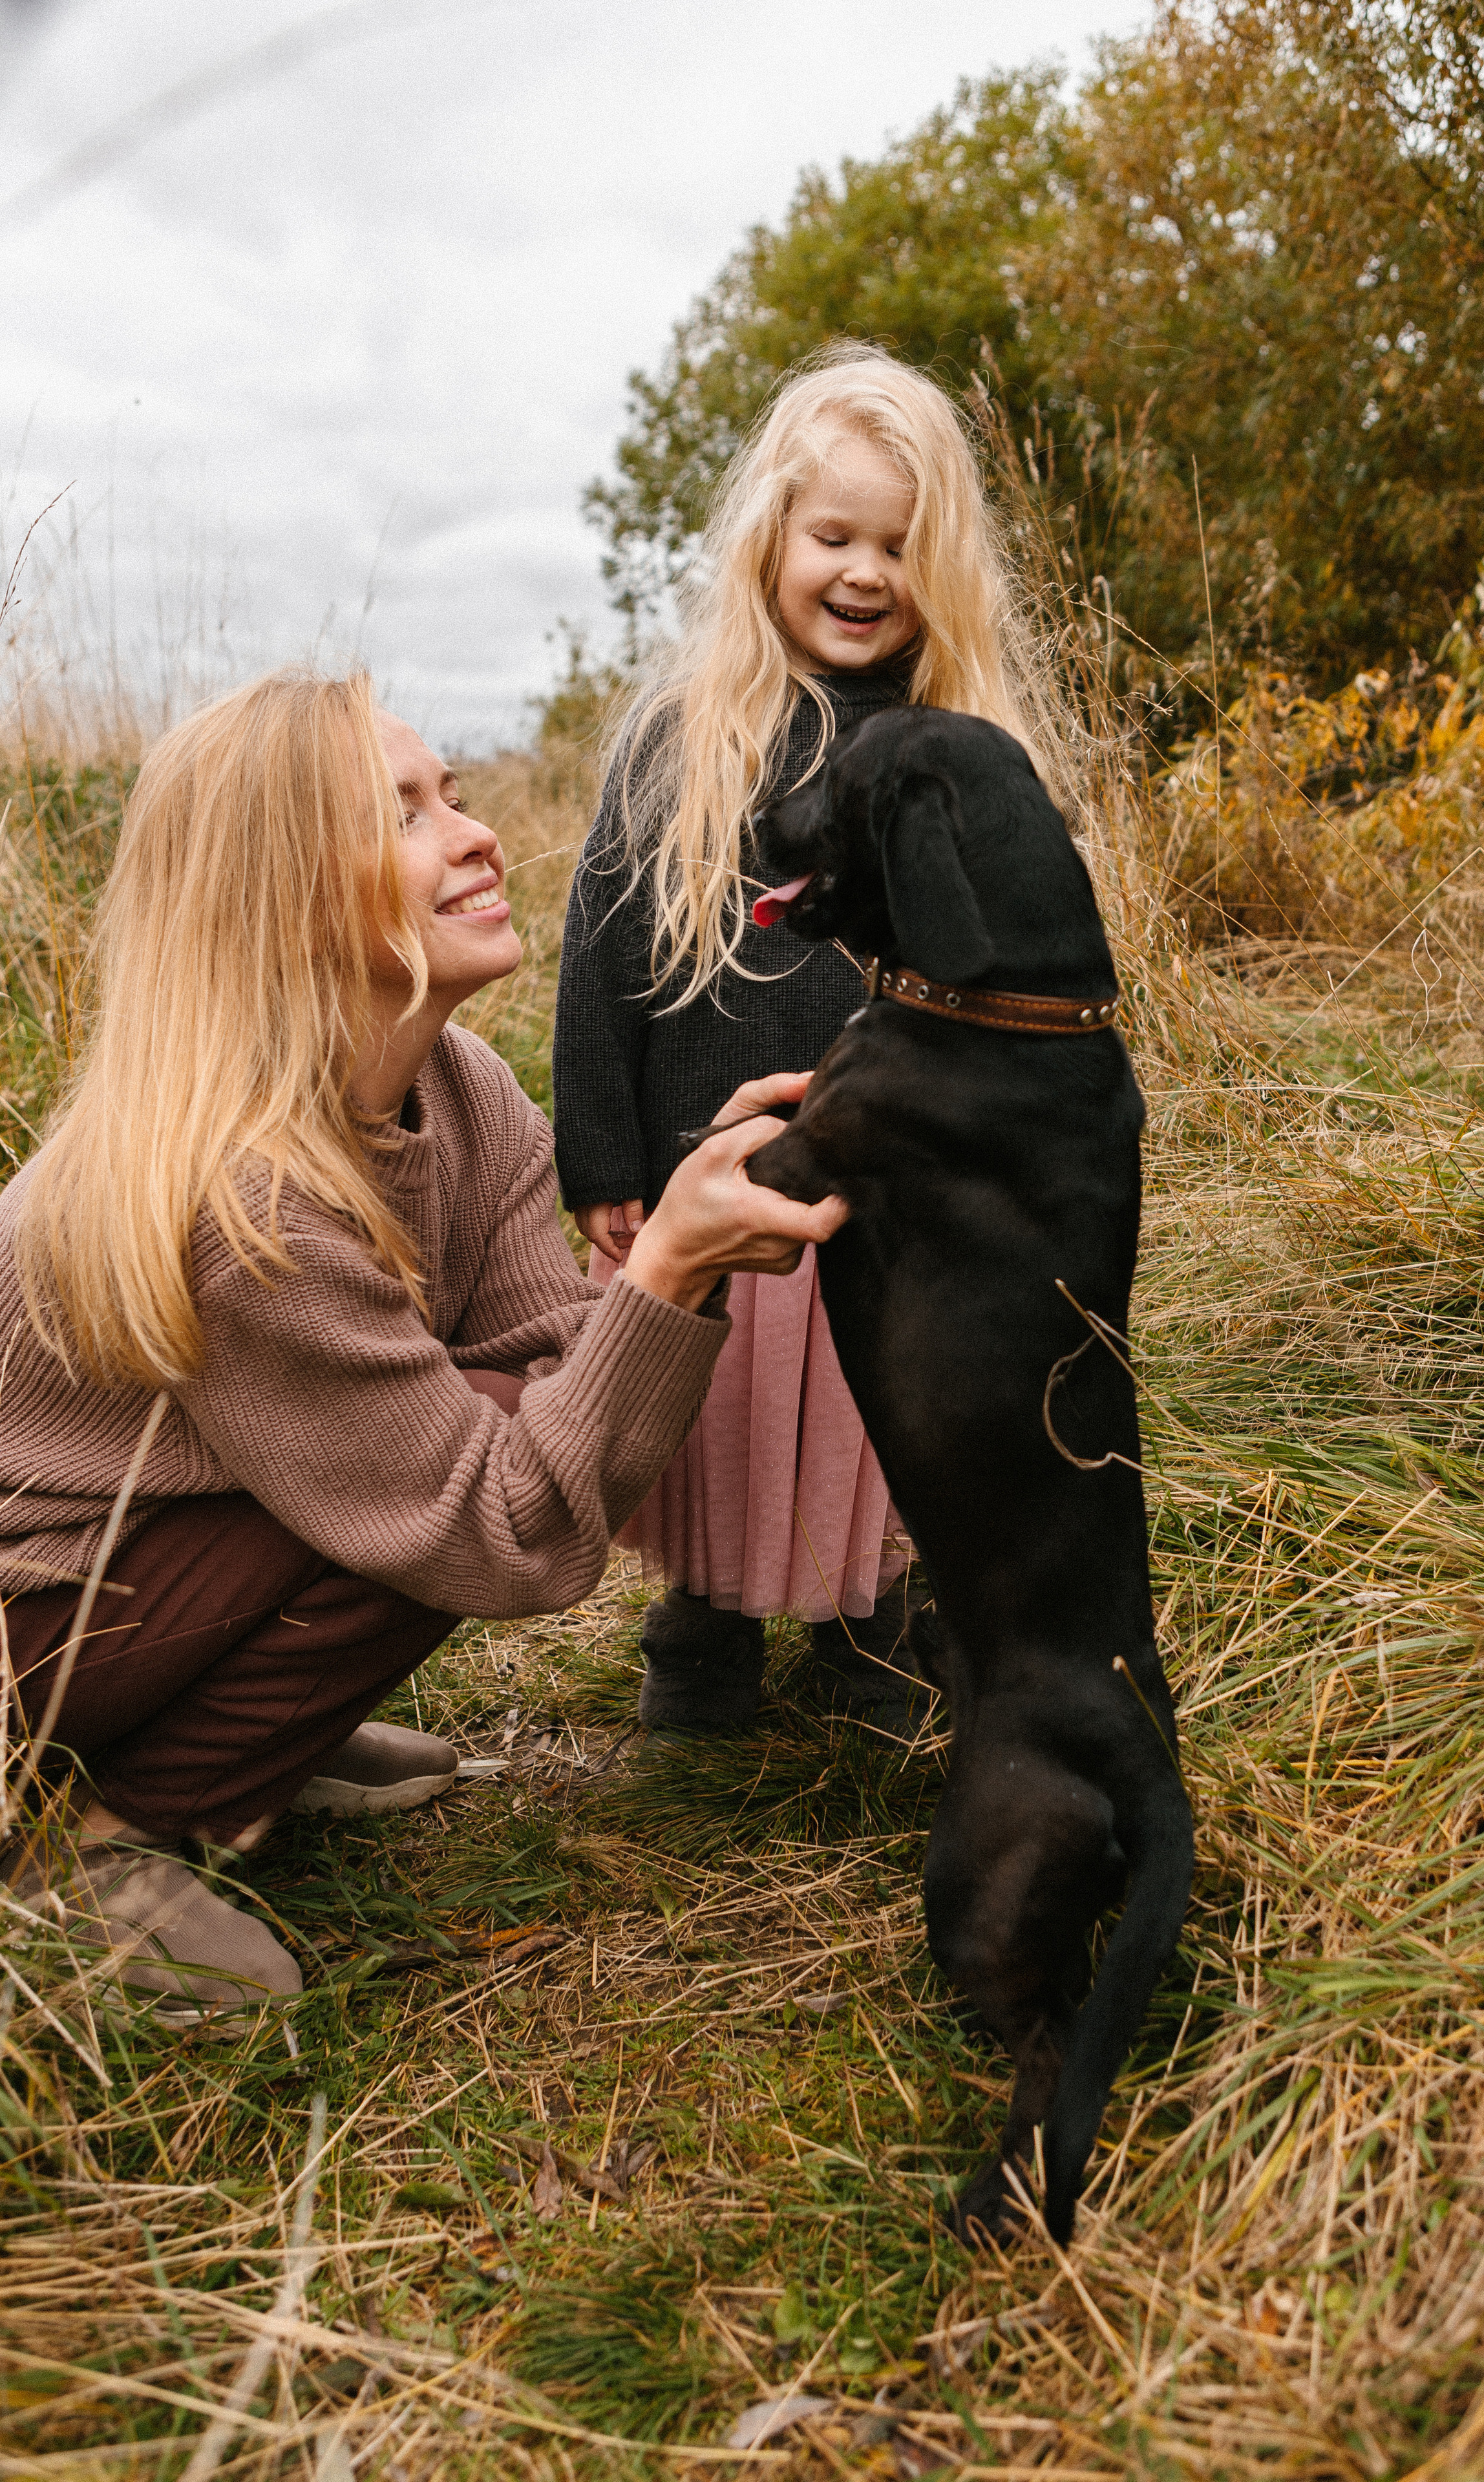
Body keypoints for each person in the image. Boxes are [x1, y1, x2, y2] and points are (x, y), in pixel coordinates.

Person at [0, 669, 843, 2029]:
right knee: (435, 1493)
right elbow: (504, 1526)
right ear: (278, 898)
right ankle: (100, 1842)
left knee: (450, 1448)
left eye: (454, 795)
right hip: (24, 1625)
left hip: (140, 1564)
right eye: (405, 816)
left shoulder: (462, 1088)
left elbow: (558, 1357)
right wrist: (672, 1269)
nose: (476, 834)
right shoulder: (245, 1200)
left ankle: (249, 1740)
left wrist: (656, 1269)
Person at [552, 342, 1065, 1735]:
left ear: (940, 564)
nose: (861, 573)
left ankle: (869, 1625)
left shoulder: (955, 749)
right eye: (831, 535)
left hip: (900, 1179)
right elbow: (602, 957)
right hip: (709, 1167)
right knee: (713, 1418)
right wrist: (601, 1156)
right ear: (771, 536)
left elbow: (1020, 967)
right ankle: (705, 1631)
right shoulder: (685, 733)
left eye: (898, 547)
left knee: (873, 1409)